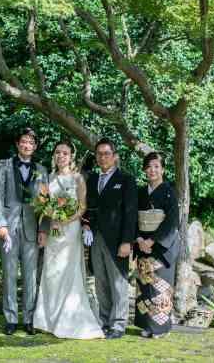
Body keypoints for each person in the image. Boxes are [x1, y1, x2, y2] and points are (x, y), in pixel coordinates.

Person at [33, 141, 105, 339]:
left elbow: (82, 207)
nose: (61, 156)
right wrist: (48, 223)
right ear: (54, 155)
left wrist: (65, 219)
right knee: (51, 273)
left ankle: (68, 319)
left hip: (70, 230)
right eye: (58, 152)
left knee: (68, 272)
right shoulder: (47, 178)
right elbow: (42, 206)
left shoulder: (78, 179)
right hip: (53, 231)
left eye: (65, 153)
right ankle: (48, 320)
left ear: (71, 156)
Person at [0, 128, 48, 335]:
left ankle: (29, 319)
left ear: (34, 147)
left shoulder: (42, 170)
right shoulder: (4, 165)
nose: (26, 145)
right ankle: (10, 319)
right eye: (23, 141)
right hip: (8, 227)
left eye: (30, 142)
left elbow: (45, 203)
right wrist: (0, 223)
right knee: (8, 273)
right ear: (18, 144)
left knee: (30, 275)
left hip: (32, 228)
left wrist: (43, 229)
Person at [83, 138, 137, 339]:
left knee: (118, 283)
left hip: (117, 240)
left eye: (107, 153)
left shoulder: (126, 180)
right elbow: (88, 207)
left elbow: (130, 213)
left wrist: (127, 241)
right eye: (99, 154)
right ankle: (105, 322)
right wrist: (86, 224)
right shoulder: (92, 179)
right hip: (96, 238)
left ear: (115, 156)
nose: (103, 157)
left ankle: (118, 324)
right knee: (101, 282)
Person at [134, 152, 180, 338]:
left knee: (160, 287)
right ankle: (147, 326)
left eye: (156, 166)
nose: (152, 170)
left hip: (160, 247)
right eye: (148, 166)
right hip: (142, 244)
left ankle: (160, 328)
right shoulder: (140, 192)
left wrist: (152, 241)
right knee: (145, 287)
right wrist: (138, 239)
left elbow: (172, 221)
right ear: (145, 169)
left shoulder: (169, 191)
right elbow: (132, 218)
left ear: (163, 169)